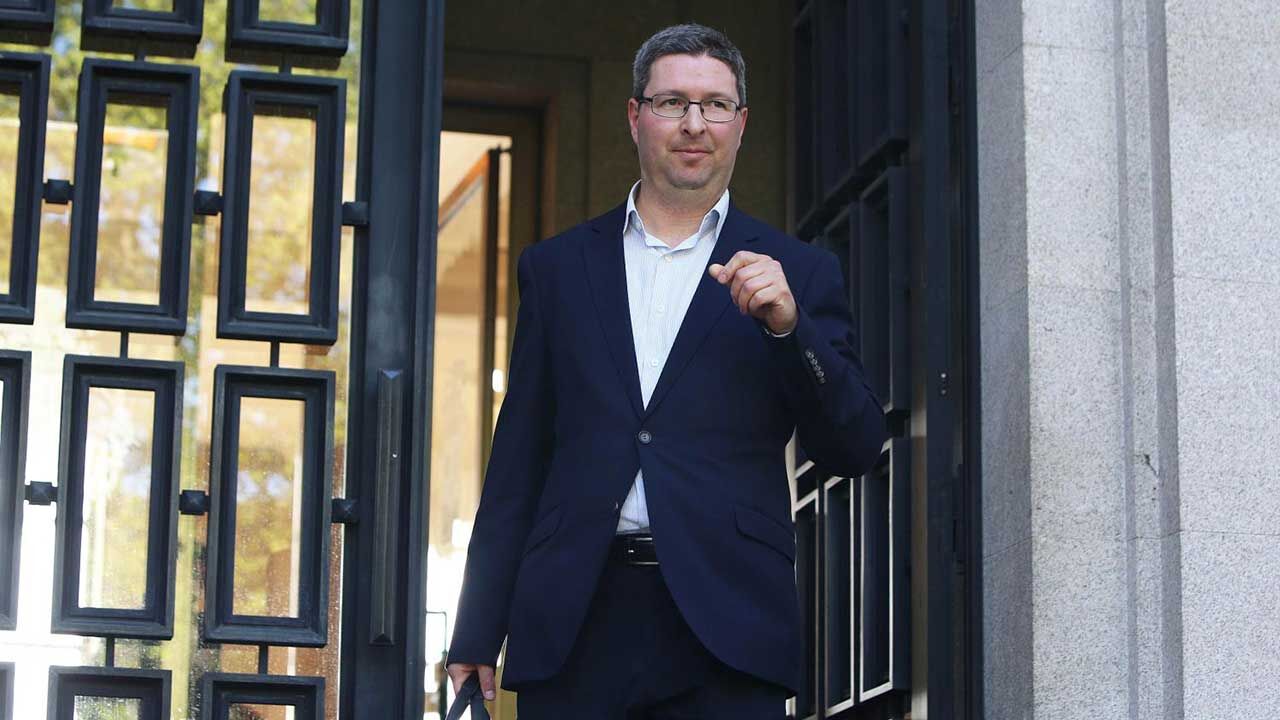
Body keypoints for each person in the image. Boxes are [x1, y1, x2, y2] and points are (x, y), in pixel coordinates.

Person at [444, 23, 887, 719]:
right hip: (574, 621)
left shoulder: (799, 273)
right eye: (672, 102)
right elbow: (518, 460)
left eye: (715, 105)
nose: (694, 124)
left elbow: (855, 446)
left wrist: (790, 329)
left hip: (728, 625)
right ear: (634, 116)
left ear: (741, 123)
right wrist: (477, 625)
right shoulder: (557, 269)